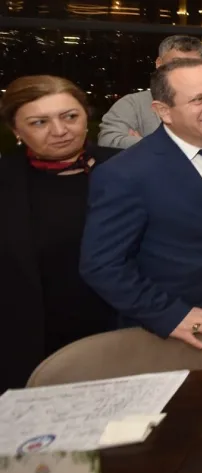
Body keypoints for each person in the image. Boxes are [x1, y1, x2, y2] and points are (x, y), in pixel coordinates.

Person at [81, 58, 202, 351]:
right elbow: (102, 265)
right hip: (171, 331)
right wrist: (170, 315)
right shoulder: (125, 173)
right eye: (199, 99)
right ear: (163, 111)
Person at [0, 76, 117, 390]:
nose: (60, 130)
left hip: (126, 336)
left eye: (70, 116)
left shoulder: (128, 167)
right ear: (15, 130)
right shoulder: (6, 182)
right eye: (39, 122)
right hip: (32, 348)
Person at [98, 35, 202, 149]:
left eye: (193, 64)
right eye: (176, 63)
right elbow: (108, 140)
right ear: (159, 64)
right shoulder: (132, 104)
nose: (185, 71)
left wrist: (144, 143)